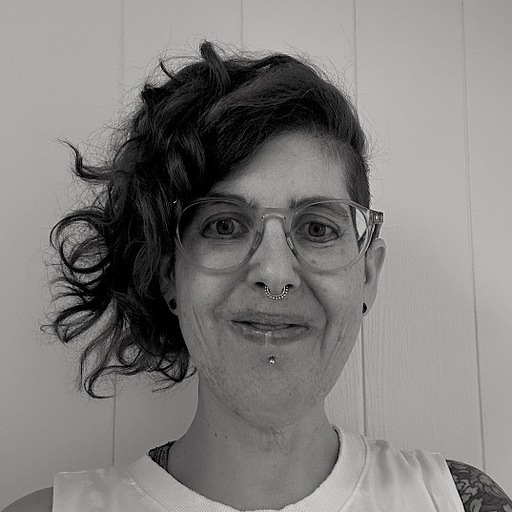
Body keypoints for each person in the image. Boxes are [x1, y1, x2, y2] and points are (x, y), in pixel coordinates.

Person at [5, 41, 511, 512]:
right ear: (168, 274)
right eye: (224, 225)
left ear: (368, 277)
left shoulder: (457, 502)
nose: (273, 272)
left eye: (317, 227)